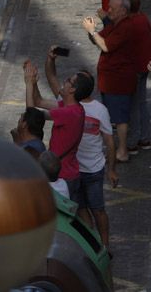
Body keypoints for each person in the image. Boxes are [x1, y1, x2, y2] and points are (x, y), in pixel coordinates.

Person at [44, 46, 116, 245]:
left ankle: (104, 244)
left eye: (74, 80)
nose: (68, 82)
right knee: (81, 210)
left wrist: (111, 170)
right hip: (74, 170)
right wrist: (50, 60)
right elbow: (51, 78)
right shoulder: (67, 103)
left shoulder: (99, 110)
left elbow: (109, 140)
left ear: (80, 87)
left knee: (98, 209)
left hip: (93, 170)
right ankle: (91, 243)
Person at [83, 0, 139, 162]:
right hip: (109, 80)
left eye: (112, 9)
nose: (109, 11)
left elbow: (105, 46)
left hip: (119, 80)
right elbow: (98, 40)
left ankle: (122, 151)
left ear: (123, 11)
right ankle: (116, 149)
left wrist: (92, 31)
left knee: (120, 118)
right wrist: (92, 31)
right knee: (113, 116)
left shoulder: (126, 27)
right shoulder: (115, 24)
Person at [23, 58, 86, 202]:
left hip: (61, 176)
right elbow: (38, 101)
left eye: (69, 80)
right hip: (70, 172)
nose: (65, 81)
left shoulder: (68, 113)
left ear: (73, 89)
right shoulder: (73, 108)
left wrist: (28, 84)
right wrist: (33, 83)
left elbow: (32, 116)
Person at [125, 0, 151, 154]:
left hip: (133, 69)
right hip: (143, 66)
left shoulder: (130, 23)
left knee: (133, 105)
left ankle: (133, 140)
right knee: (142, 102)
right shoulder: (143, 19)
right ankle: (145, 137)